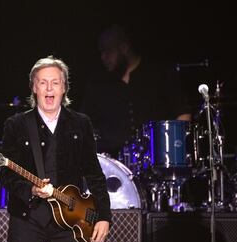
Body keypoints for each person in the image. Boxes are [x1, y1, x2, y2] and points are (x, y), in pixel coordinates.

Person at [0, 55, 112, 242]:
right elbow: (6, 174)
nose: (49, 88)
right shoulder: (16, 125)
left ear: (64, 88)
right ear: (34, 88)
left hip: (70, 217)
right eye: (42, 82)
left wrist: (104, 216)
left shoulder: (81, 123)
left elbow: (94, 172)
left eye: (55, 82)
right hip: (27, 216)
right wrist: (30, 190)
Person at [81, 24, 192, 159]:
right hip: (114, 166)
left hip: (157, 161)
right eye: (101, 52)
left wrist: (173, 152)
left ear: (124, 48)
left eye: (108, 52)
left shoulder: (159, 73)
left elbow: (183, 114)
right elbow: (83, 123)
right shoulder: (98, 83)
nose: (103, 57)